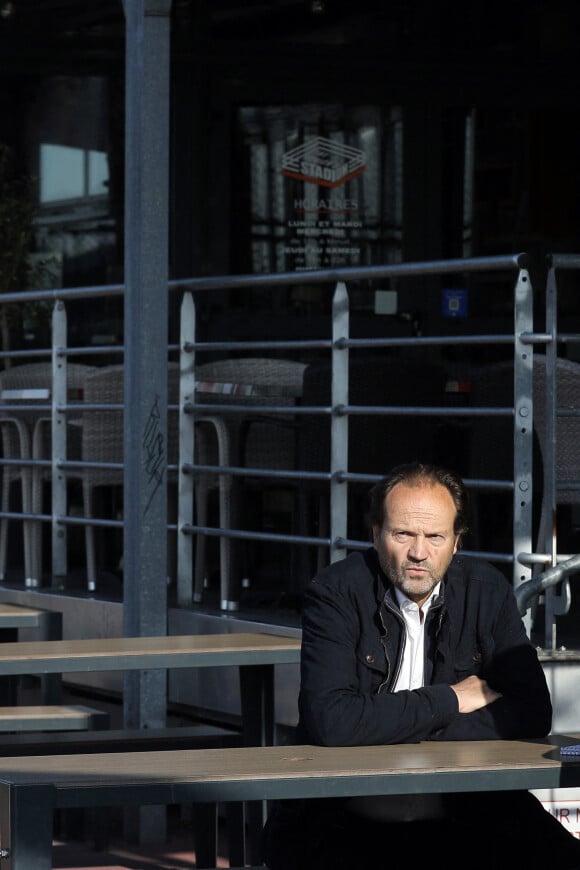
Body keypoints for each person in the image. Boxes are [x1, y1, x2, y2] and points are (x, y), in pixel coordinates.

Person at [261, 461, 580, 870]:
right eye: (403, 534)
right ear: (375, 535)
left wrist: (389, 726)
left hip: (469, 817)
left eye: (435, 536)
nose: (418, 552)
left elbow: (533, 712)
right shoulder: (336, 592)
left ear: (456, 542)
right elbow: (332, 721)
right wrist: (449, 700)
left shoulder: (486, 592)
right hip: (347, 822)